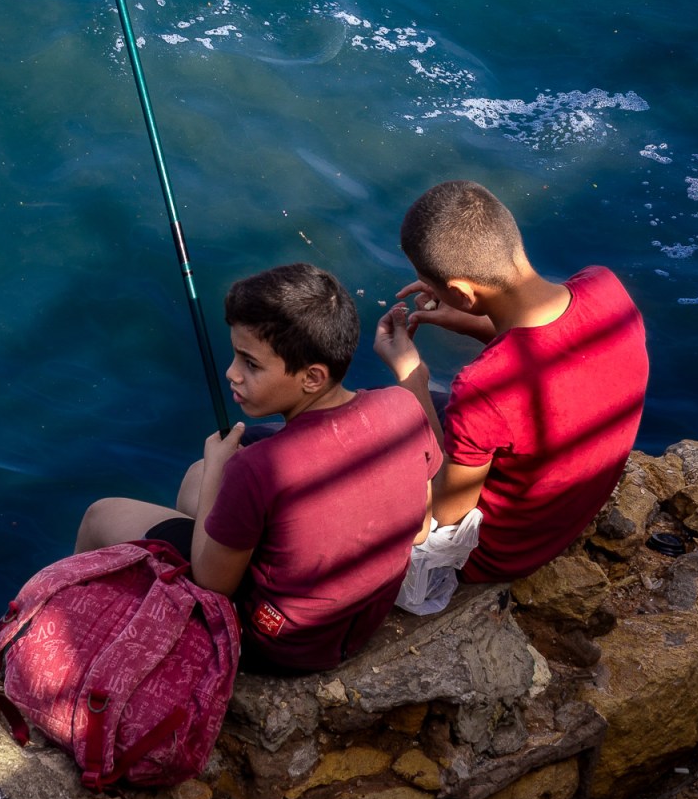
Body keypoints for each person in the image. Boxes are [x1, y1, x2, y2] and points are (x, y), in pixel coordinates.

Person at [76, 263, 441, 673]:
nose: (232, 372)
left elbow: (213, 584)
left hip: (277, 646)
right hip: (355, 626)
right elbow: (423, 527)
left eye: (250, 363)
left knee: (100, 516)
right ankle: (200, 553)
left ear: (312, 377)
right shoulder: (404, 408)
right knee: (198, 477)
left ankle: (74, 645)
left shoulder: (259, 467)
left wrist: (220, 468)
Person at [373, 179, 648, 583]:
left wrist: (411, 377)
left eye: (432, 286)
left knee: (375, 420)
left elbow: (449, 514)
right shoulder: (605, 286)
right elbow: (554, 352)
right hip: (561, 519)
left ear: (461, 292)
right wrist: (472, 322)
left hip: (496, 556)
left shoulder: (485, 386)